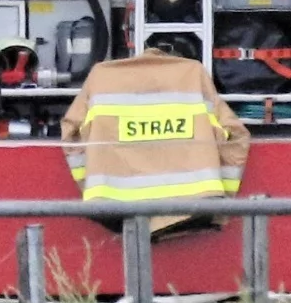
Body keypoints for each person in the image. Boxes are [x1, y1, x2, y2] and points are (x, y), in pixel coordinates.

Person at [59, 46, 249, 236]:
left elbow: (71, 136)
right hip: (194, 205)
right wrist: (221, 199)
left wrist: (92, 189)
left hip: (113, 206)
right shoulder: (193, 74)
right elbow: (235, 135)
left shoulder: (101, 77)